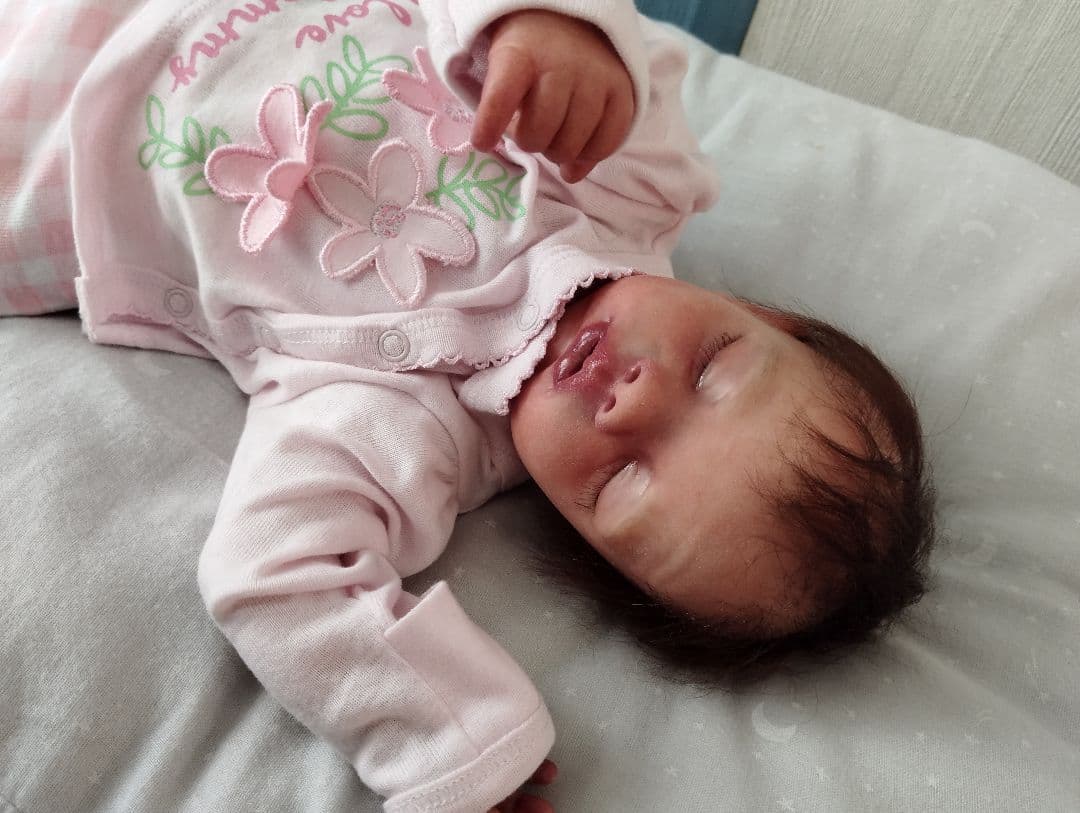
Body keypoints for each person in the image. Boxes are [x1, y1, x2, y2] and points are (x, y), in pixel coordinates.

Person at [53, 1, 935, 811]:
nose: (631, 403)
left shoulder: (402, 422)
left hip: (58, 116)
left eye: (626, 478)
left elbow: (271, 573)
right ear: (764, 314)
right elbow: (629, 49)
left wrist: (451, 737)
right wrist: (557, 27)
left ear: (579, 536)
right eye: (711, 371)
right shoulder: (628, 175)